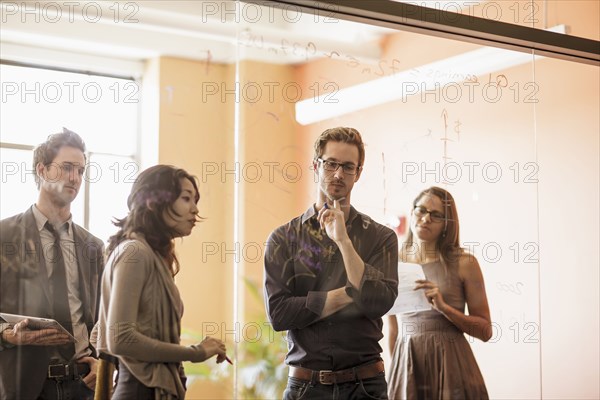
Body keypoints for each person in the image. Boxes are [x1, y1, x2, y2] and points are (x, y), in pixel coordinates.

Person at [264, 127, 399, 399]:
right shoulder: (283, 238)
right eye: (331, 164)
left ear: (358, 173)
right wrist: (351, 292)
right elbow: (279, 314)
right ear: (316, 166)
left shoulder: (381, 237)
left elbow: (378, 302)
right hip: (305, 387)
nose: (338, 174)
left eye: (348, 167)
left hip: (366, 385)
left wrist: (343, 242)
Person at [92, 164, 228, 399]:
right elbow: (120, 338)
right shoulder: (134, 252)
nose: (195, 209)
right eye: (186, 198)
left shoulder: (152, 256)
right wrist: (195, 352)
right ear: (154, 202)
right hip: (139, 390)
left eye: (195, 200)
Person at [0, 128, 104, 400]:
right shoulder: (4, 237)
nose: (75, 178)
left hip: (83, 384)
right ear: (43, 170)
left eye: (81, 170)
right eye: (67, 168)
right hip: (24, 386)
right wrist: (6, 334)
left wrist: (101, 359)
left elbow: (104, 319)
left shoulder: (93, 246)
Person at [387, 186, 492, 399]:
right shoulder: (392, 263)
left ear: (447, 224)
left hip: (453, 368)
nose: (426, 218)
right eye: (421, 210)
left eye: (436, 215)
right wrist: (398, 374)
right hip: (407, 366)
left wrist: (444, 308)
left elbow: (485, 331)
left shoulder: (465, 263)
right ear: (412, 211)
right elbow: (394, 332)